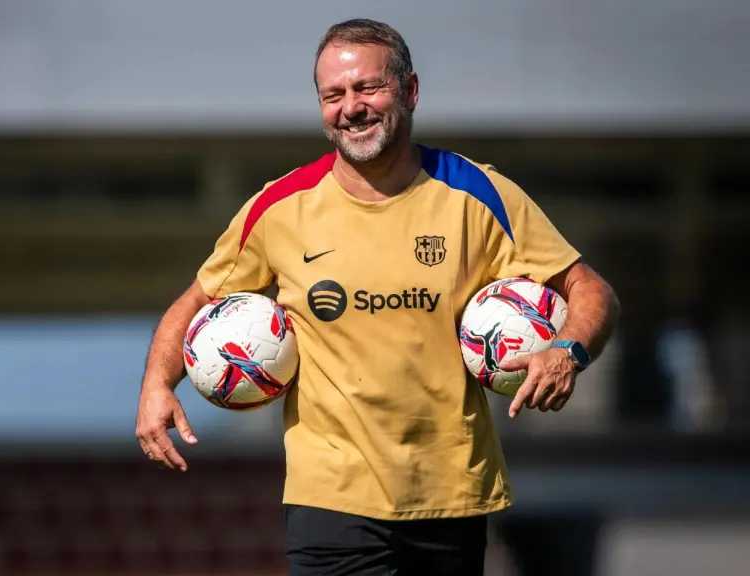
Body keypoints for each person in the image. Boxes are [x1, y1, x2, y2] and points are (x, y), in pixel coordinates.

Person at [135, 17, 621, 576]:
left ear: (410, 90)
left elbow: (590, 289)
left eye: (368, 88)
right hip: (331, 500)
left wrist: (569, 350)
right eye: (333, 95)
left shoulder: (478, 194)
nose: (351, 108)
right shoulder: (280, 208)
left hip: (452, 494)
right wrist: (155, 384)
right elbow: (195, 301)